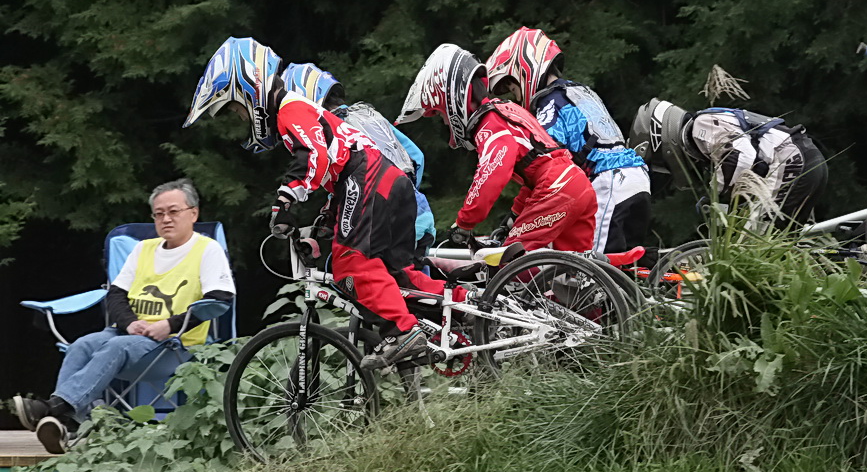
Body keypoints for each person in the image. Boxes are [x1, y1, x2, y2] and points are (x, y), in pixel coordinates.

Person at [183, 37, 462, 371]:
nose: (240, 117)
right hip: (385, 183)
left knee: (352, 265)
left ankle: (401, 332)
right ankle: (464, 305)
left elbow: (312, 155)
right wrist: (323, 229)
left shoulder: (292, 107)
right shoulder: (302, 113)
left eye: (235, 108)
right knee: (396, 275)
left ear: (249, 87)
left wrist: (285, 200)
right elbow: (338, 178)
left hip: (371, 178)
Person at [14, 178, 235, 454]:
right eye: (159, 213)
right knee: (83, 344)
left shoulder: (207, 250)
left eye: (173, 211)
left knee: (114, 347)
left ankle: (55, 410)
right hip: (128, 335)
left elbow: (220, 300)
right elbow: (115, 295)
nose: (166, 219)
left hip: (175, 346)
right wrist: (130, 323)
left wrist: (169, 325)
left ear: (193, 213)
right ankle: (64, 422)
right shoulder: (143, 249)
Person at [396, 43, 597, 252]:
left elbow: (493, 172)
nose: (445, 123)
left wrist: (465, 222)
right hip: (577, 181)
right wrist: (513, 217)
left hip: (557, 187)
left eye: (440, 114)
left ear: (453, 100)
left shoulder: (489, 124)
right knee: (573, 272)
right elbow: (539, 167)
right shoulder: (506, 110)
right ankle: (620, 273)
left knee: (509, 264)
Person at [486, 27, 652, 257]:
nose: (515, 96)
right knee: (628, 264)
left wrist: (513, 219)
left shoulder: (549, 104)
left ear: (524, 69)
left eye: (513, 87)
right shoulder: (580, 91)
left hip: (607, 182)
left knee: (591, 269)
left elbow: (546, 165)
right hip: (636, 176)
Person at [280, 62, 437, 266]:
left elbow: (351, 179)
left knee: (351, 275)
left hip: (387, 218)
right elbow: (416, 156)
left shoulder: (332, 130)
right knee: (416, 286)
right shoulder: (368, 114)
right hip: (419, 209)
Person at [630, 98, 829, 229]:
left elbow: (741, 156)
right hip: (805, 158)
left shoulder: (702, 124)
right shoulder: (712, 120)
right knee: (788, 238)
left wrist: (716, 198)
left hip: (792, 162)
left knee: (758, 242)